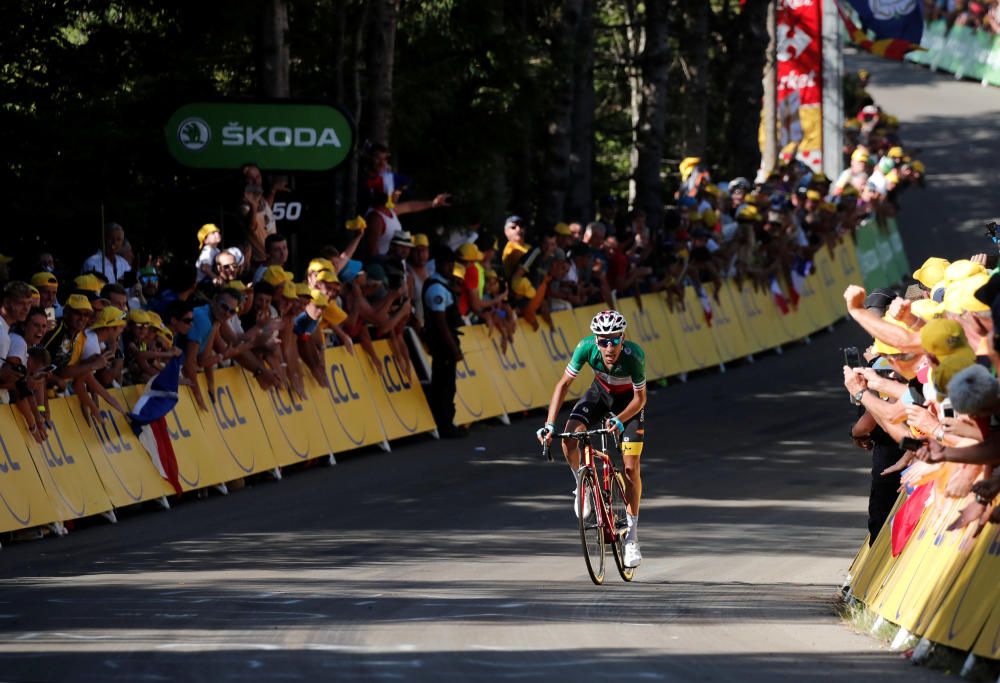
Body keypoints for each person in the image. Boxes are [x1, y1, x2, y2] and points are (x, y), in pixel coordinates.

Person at [536, 309, 647, 568]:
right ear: (595, 340)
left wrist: (620, 419)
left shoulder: (634, 356)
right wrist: (549, 424)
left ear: (623, 338)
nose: (609, 347)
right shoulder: (585, 348)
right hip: (599, 394)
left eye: (615, 339)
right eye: (603, 340)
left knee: (630, 469)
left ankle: (632, 537)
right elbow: (563, 385)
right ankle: (582, 487)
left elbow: (641, 399)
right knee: (568, 437)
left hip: (628, 404)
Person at [422, 246, 464, 438]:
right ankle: (444, 424)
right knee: (443, 385)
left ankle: (448, 421)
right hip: (442, 344)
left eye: (452, 264)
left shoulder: (444, 285)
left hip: (445, 342)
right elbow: (441, 323)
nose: (450, 268)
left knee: (448, 384)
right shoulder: (436, 288)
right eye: (448, 264)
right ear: (439, 264)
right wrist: (453, 348)